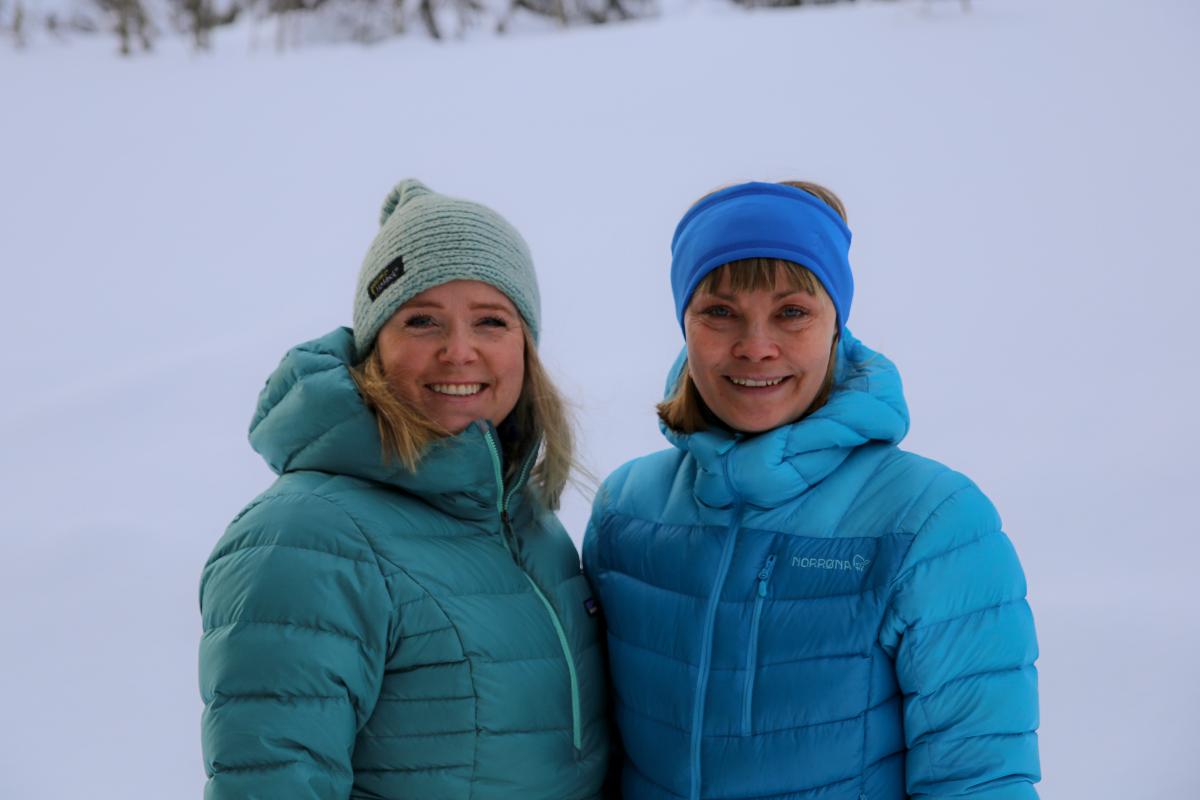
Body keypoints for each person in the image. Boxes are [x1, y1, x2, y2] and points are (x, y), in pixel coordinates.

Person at [583, 180, 1040, 800]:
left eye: (792, 312)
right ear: (684, 324)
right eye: (719, 312)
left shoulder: (931, 520)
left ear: (835, 325)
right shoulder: (627, 509)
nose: (756, 347)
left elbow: (980, 782)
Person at [199, 179, 610, 799]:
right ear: (373, 348)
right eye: (422, 321)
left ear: (525, 347)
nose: (459, 352)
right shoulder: (305, 536)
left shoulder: (524, 523)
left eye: (491, 321)